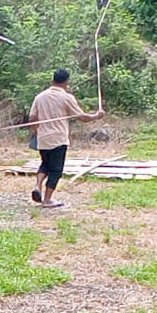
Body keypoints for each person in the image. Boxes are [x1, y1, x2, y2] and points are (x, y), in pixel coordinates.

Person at [29, 69, 105, 208]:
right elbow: (82, 117)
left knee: (45, 164)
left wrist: (37, 132)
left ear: (53, 80)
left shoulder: (40, 96)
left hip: (43, 138)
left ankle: (37, 186)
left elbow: (32, 118)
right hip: (58, 139)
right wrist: (96, 116)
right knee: (56, 170)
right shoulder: (66, 97)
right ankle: (47, 200)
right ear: (66, 82)